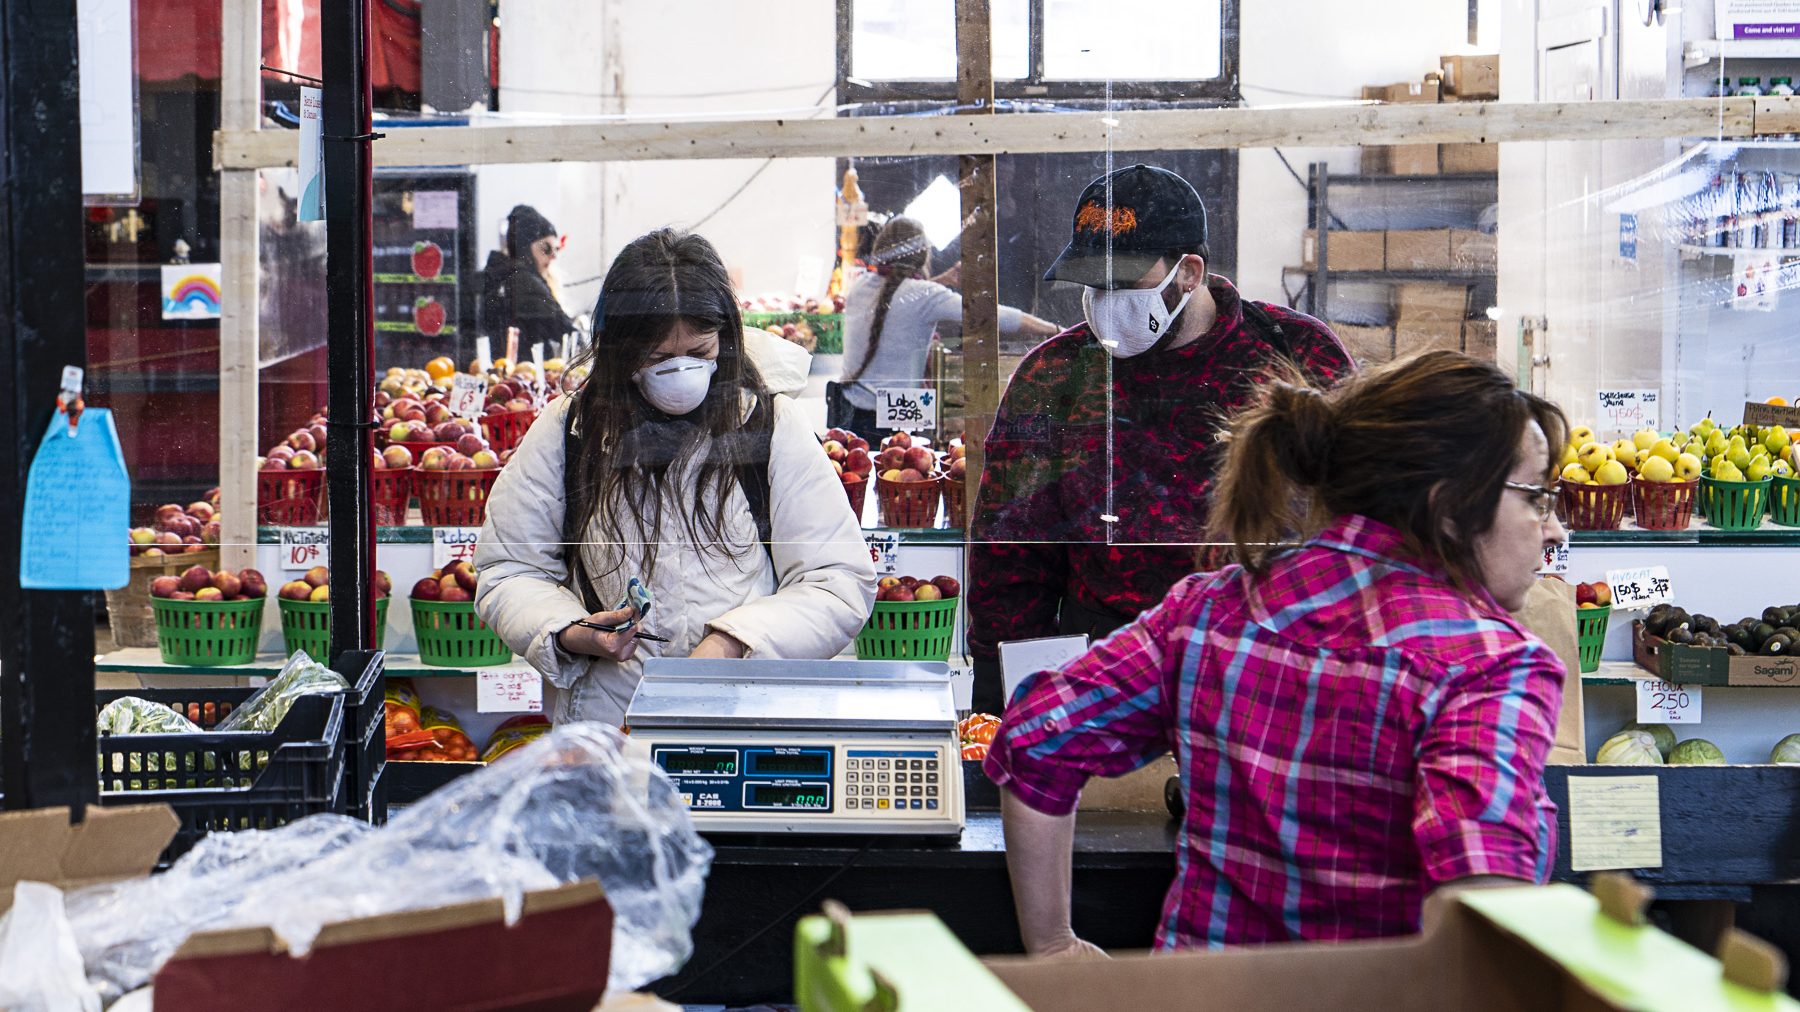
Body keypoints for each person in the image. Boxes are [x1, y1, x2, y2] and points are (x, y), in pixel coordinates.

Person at [987, 350, 1570, 955]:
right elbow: (1480, 911)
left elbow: (1035, 738)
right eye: (1537, 497)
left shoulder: (1208, 610)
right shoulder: (1491, 668)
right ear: (1450, 507)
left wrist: (1055, 947)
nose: (1553, 529)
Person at [966, 164, 1354, 715]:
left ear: (1189, 271)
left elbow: (1358, 513)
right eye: (1093, 285)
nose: (1105, 301)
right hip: (1105, 664)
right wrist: (1001, 687)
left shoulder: (1294, 356)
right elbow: (1012, 548)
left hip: (1268, 662)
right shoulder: (1055, 375)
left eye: (1124, 283)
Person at [473, 228, 876, 725]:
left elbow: (837, 582)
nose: (681, 372)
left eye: (700, 352)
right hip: (608, 727)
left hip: (742, 716)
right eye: (659, 358)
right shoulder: (569, 430)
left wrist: (733, 642)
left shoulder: (770, 428)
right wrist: (571, 631)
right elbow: (508, 570)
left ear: (725, 341)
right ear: (621, 351)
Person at [835, 216, 1059, 437]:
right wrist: (1055, 330)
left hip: (851, 418)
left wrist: (946, 279)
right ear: (922, 254)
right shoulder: (924, 296)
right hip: (894, 425)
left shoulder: (860, 285)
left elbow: (899, 299)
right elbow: (994, 315)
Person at [480, 204, 577, 348]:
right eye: (546, 248)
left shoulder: (499, 274)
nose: (553, 256)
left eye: (556, 249)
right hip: (528, 368)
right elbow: (566, 331)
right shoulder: (525, 281)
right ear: (525, 249)